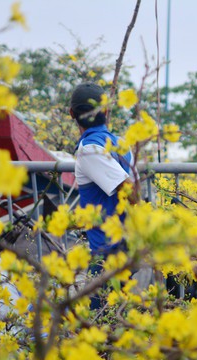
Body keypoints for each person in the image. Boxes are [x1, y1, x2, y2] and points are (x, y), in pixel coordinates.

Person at [69, 83, 139, 307]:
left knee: (100, 323)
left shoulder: (90, 149)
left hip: (108, 251)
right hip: (124, 246)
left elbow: (130, 190)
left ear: (72, 114)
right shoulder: (120, 144)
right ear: (107, 111)